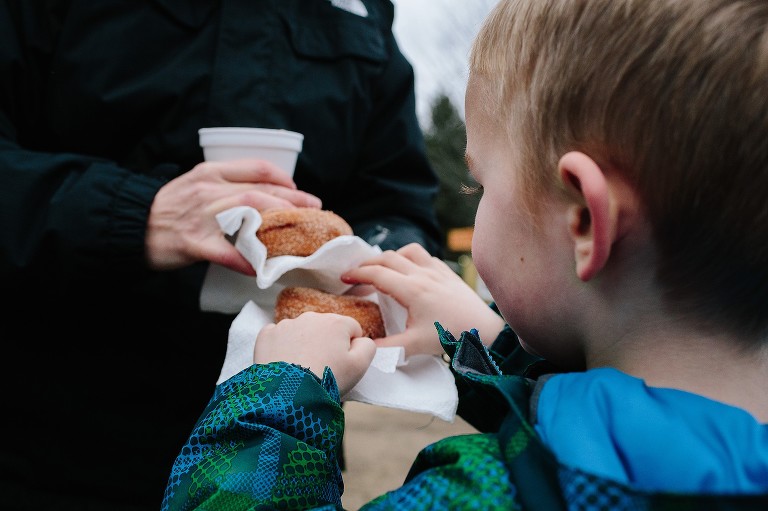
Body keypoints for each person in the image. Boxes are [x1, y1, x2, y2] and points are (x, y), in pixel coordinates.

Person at [161, 0, 768, 508]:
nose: (474, 200)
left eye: (479, 186)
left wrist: (273, 400)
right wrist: (493, 350)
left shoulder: (480, 493)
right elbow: (614, 417)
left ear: (585, 218)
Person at [0, 1, 442, 508]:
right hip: (53, 440)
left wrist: (376, 261)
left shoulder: (365, 12)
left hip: (280, 442)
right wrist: (134, 212)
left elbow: (397, 197)